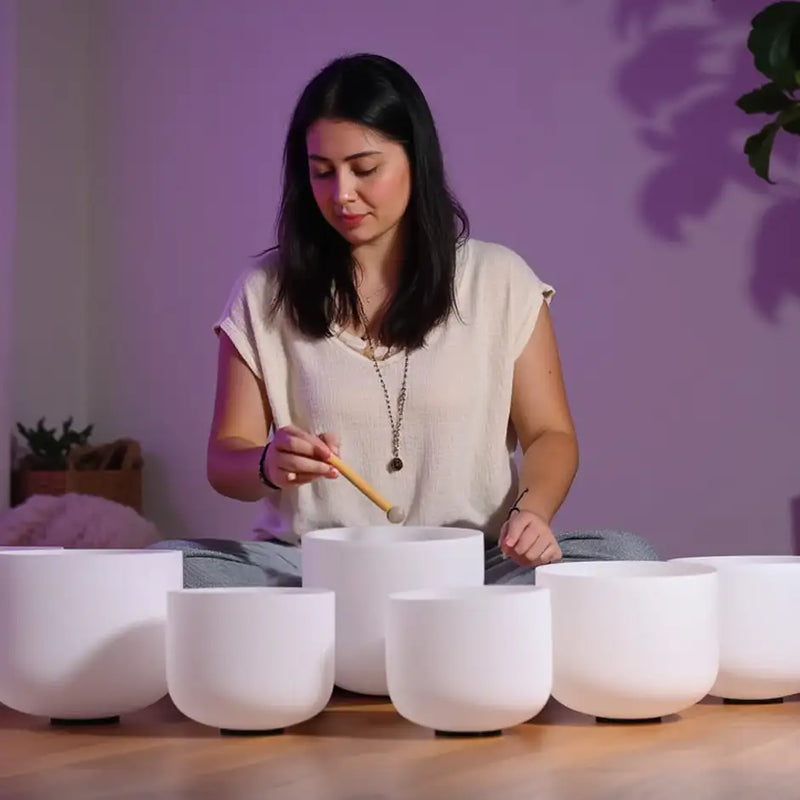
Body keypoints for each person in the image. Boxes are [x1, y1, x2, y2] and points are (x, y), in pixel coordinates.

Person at [153, 53, 659, 587]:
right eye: (322, 172)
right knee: (167, 566)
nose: (341, 193)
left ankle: (355, 646)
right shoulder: (265, 290)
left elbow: (550, 434)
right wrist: (266, 464)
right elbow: (225, 458)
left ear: (415, 160)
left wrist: (530, 514)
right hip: (316, 567)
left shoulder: (499, 279)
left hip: (472, 565)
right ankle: (435, 642)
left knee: (626, 555)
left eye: (365, 169)